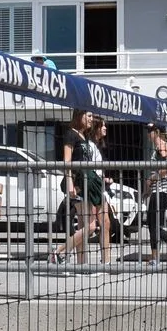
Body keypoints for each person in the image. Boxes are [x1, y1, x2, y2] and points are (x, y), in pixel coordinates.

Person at [54, 112, 110, 265]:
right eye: (89, 116)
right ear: (80, 116)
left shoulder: (84, 136)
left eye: (93, 116)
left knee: (85, 225)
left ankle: (80, 264)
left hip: (89, 183)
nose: (92, 119)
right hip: (79, 184)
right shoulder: (70, 134)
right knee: (91, 226)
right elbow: (67, 161)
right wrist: (70, 182)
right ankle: (60, 251)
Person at [141, 124, 167, 258]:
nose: (148, 134)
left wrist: (152, 179)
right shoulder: (158, 147)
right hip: (159, 191)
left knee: (153, 225)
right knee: (153, 225)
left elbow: (166, 167)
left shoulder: (161, 145)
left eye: (150, 131)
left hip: (162, 191)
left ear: (156, 132)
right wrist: (148, 188)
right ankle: (158, 255)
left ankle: (158, 256)